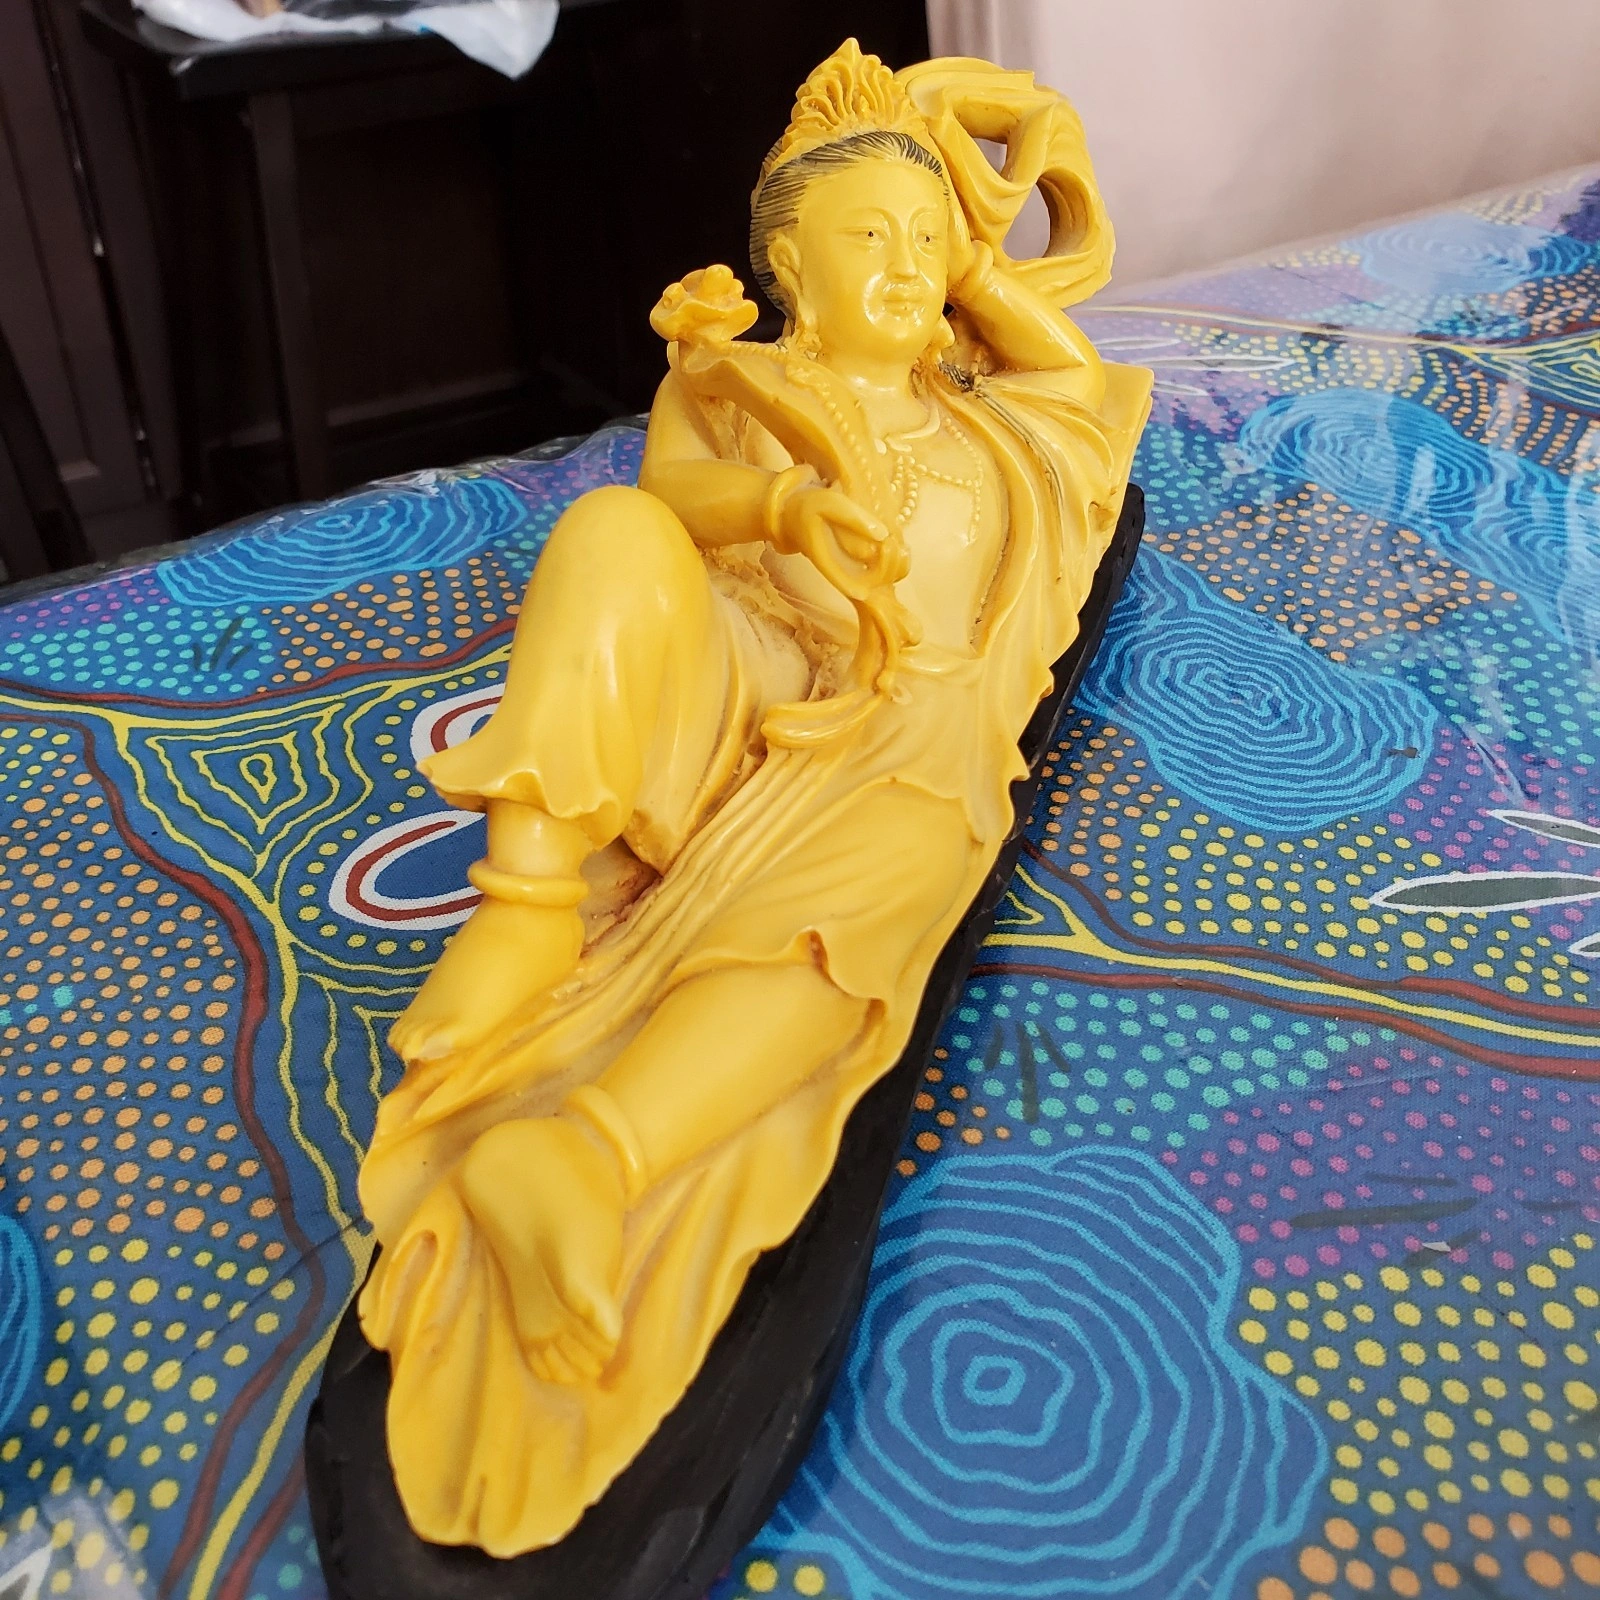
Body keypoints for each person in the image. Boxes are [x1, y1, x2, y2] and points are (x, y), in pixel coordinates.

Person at [355, 39, 1151, 1557]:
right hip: (744, 667)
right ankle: (526, 909)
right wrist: (784, 500)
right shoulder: (741, 381)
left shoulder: (997, 425)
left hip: (901, 730)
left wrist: (965, 235)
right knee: (610, 532)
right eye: (870, 238)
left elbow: (1070, 372)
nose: (906, 266)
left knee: (870, 909)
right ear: (791, 266)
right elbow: (672, 491)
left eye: (925, 243)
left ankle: (584, 1152)